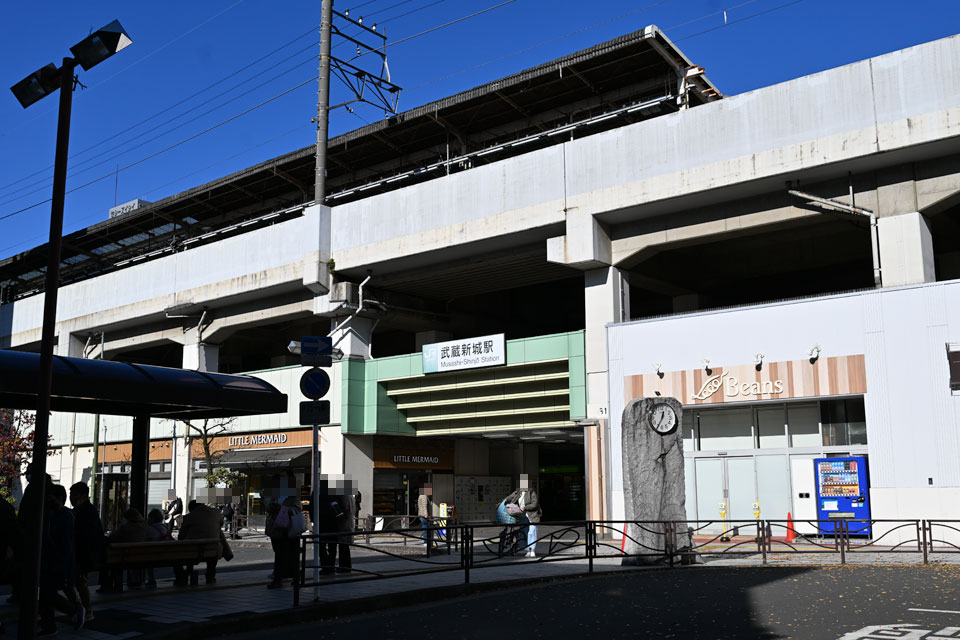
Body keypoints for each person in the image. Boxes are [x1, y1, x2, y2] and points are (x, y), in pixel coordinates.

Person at [38, 484, 84, 636]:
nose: (48, 501)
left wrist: (62, 563)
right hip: (51, 560)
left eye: (52, 498)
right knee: (46, 594)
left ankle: (72, 611)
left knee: (47, 594)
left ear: (59, 499)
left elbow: (65, 543)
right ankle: (50, 625)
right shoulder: (55, 514)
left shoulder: (64, 516)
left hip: (56, 561)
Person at [69, 482, 104, 620]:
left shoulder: (84, 512)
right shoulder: (88, 510)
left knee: (79, 581)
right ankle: (82, 609)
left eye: (74, 494)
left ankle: (85, 609)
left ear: (83, 496)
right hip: (84, 552)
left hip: (82, 553)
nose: (71, 497)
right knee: (77, 581)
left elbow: (84, 534)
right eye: (71, 494)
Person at [176, 500, 231, 586]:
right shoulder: (216, 513)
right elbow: (221, 523)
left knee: (190, 549)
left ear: (191, 509)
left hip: (192, 551)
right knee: (218, 533)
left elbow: (181, 537)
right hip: (214, 550)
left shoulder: (188, 517)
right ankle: (211, 575)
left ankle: (188, 571)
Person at [102, 508, 147, 592]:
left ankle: (110, 585)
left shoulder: (126, 528)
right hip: (140, 556)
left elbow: (113, 537)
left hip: (125, 557)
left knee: (111, 562)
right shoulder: (144, 527)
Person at [265, 495, 300, 588]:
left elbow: (297, 509)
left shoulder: (293, 497)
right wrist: (272, 506)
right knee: (278, 553)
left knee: (291, 554)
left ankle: (291, 578)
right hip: (276, 529)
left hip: (289, 529)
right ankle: (279, 578)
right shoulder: (275, 496)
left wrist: (282, 508)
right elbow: (268, 508)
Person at [144, 508, 173, 588]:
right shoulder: (165, 527)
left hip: (154, 556)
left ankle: (151, 579)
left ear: (151, 519)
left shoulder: (150, 529)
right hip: (168, 554)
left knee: (148, 557)